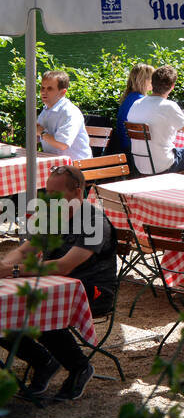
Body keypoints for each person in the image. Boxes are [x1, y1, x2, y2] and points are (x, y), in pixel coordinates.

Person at [0, 165, 116, 401]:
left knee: (42, 309)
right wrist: (4, 266)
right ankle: (43, 361)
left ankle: (79, 367)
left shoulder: (93, 221)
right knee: (4, 311)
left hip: (93, 292)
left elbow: (63, 266)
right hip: (54, 288)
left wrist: (11, 271)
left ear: (77, 192)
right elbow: (24, 251)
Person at [126, 65, 184, 178]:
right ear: (172, 87)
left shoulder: (136, 104)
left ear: (152, 84)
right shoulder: (169, 106)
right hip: (163, 165)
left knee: (183, 151)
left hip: (141, 165)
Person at [36, 70, 91, 162]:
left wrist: (41, 133)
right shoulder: (46, 111)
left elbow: (62, 144)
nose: (43, 92)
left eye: (49, 89)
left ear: (62, 92)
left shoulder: (70, 112)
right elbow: (38, 137)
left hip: (77, 167)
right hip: (54, 164)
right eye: (42, 88)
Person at [107, 62, 154, 160]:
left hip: (124, 148)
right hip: (135, 151)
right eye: (152, 78)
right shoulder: (140, 100)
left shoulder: (129, 97)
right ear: (144, 80)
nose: (154, 82)